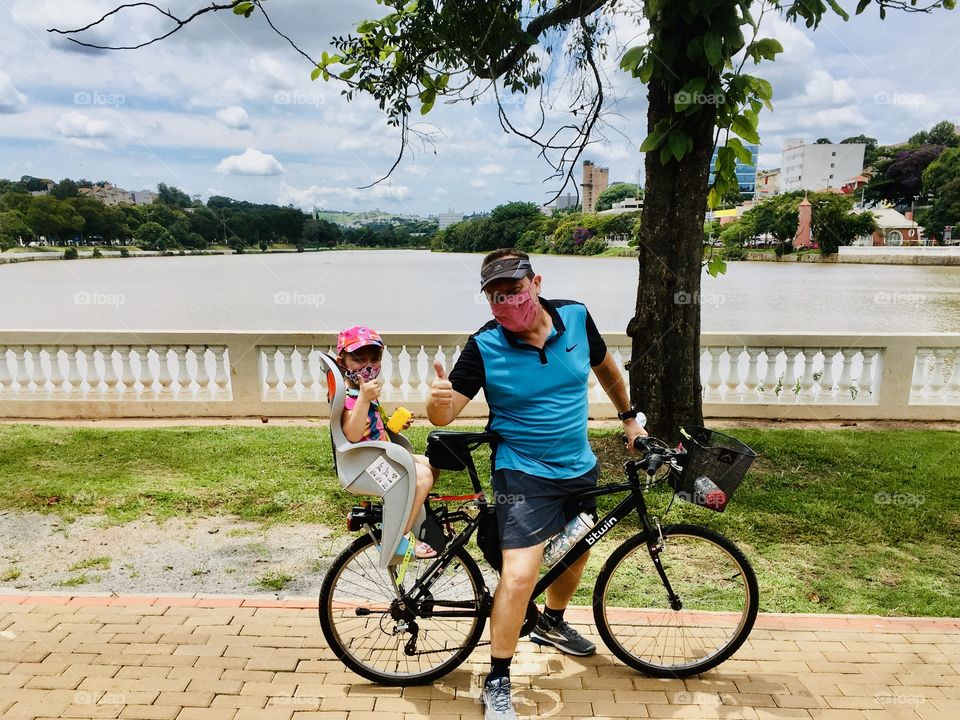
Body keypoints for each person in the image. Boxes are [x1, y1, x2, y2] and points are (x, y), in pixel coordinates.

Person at [426, 250, 647, 720]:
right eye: (495, 296)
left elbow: (606, 367)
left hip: (579, 465)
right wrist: (438, 401)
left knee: (580, 546)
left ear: (537, 283)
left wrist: (630, 420)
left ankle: (553, 621)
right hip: (522, 472)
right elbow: (444, 416)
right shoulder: (484, 346)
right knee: (521, 574)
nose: (506, 302)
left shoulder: (576, 316)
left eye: (514, 291)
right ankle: (499, 679)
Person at [337, 325, 439, 560]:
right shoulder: (349, 398)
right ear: (342, 362)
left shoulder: (360, 394)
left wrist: (393, 424)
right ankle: (395, 538)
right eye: (358, 359)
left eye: (374, 358)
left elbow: (372, 428)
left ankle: (410, 520)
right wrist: (364, 398)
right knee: (422, 477)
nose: (368, 365)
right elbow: (352, 434)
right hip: (364, 465)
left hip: (378, 456)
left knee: (431, 465)